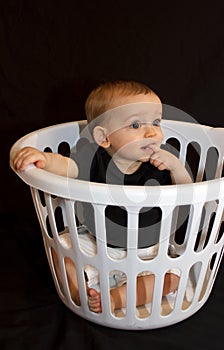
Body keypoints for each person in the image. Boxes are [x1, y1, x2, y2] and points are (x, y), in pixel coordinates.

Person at [13, 80, 192, 313]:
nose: (151, 132)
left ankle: (117, 298)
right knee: (61, 248)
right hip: (98, 241)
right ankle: (81, 292)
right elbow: (67, 167)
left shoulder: (162, 162)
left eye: (156, 122)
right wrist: (44, 159)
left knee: (170, 278)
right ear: (103, 137)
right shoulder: (92, 158)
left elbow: (189, 195)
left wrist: (176, 168)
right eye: (136, 124)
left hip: (148, 249)